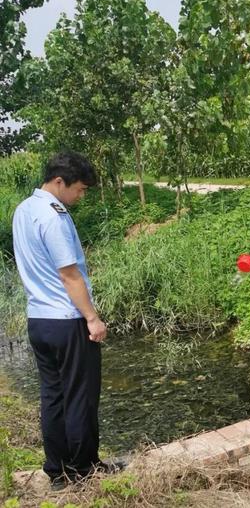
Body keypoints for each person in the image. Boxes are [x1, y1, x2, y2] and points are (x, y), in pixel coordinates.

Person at [12, 151, 121, 490]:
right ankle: (85, 468)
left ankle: (57, 470)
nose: (81, 195)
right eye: (79, 189)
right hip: (67, 319)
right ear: (59, 182)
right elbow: (69, 274)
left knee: (53, 397)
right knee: (81, 396)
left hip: (39, 320)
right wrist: (92, 318)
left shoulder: (23, 210)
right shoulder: (54, 216)